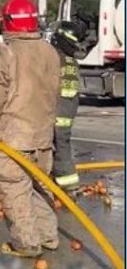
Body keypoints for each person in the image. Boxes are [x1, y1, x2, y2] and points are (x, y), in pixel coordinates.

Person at [0, 0, 61, 258]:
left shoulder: (5, 54)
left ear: (8, 22)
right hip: (43, 138)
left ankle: (27, 244)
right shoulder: (50, 52)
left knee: (15, 189)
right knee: (40, 187)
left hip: (12, 140)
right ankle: (48, 237)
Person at [48, 20, 87, 191]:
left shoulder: (57, 58)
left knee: (59, 146)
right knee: (61, 144)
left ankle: (68, 187)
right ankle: (61, 182)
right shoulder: (71, 60)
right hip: (67, 109)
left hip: (58, 110)